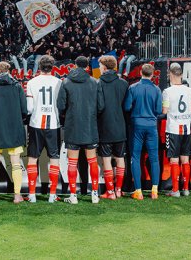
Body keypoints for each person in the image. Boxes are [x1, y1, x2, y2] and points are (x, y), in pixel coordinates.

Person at [57, 56, 105, 204]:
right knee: (92, 161)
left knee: (72, 162)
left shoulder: (66, 82)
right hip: (90, 126)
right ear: (87, 67)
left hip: (73, 126)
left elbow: (61, 106)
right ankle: (95, 195)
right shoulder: (94, 82)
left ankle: (73, 196)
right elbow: (101, 106)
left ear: (75, 65)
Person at [0, 61, 28, 204]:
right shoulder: (18, 87)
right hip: (14, 129)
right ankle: (17, 196)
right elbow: (24, 110)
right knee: (15, 163)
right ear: (9, 71)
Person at [24, 55, 63, 203]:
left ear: (39, 67)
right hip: (53, 124)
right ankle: (53, 195)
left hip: (36, 124)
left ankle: (32, 195)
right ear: (52, 67)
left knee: (33, 158)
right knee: (54, 158)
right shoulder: (59, 82)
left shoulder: (32, 82)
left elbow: (29, 108)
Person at [123, 63, 163, 200]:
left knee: (135, 157)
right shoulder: (157, 90)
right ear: (152, 75)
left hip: (137, 125)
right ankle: (155, 190)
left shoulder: (133, 88)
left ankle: (138, 191)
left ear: (141, 72)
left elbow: (127, 107)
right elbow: (158, 111)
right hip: (151, 125)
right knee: (154, 158)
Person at [162, 62, 191, 197]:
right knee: (185, 160)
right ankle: (186, 189)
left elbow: (164, 110)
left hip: (173, 129)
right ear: (181, 75)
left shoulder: (167, 91)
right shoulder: (189, 90)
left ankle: (175, 190)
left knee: (174, 160)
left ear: (170, 74)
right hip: (186, 129)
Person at [96, 55, 129, 200]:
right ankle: (119, 190)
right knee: (120, 158)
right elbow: (127, 106)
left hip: (104, 126)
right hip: (120, 126)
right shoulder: (123, 84)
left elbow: (99, 106)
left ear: (103, 67)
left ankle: (110, 192)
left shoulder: (98, 83)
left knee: (106, 159)